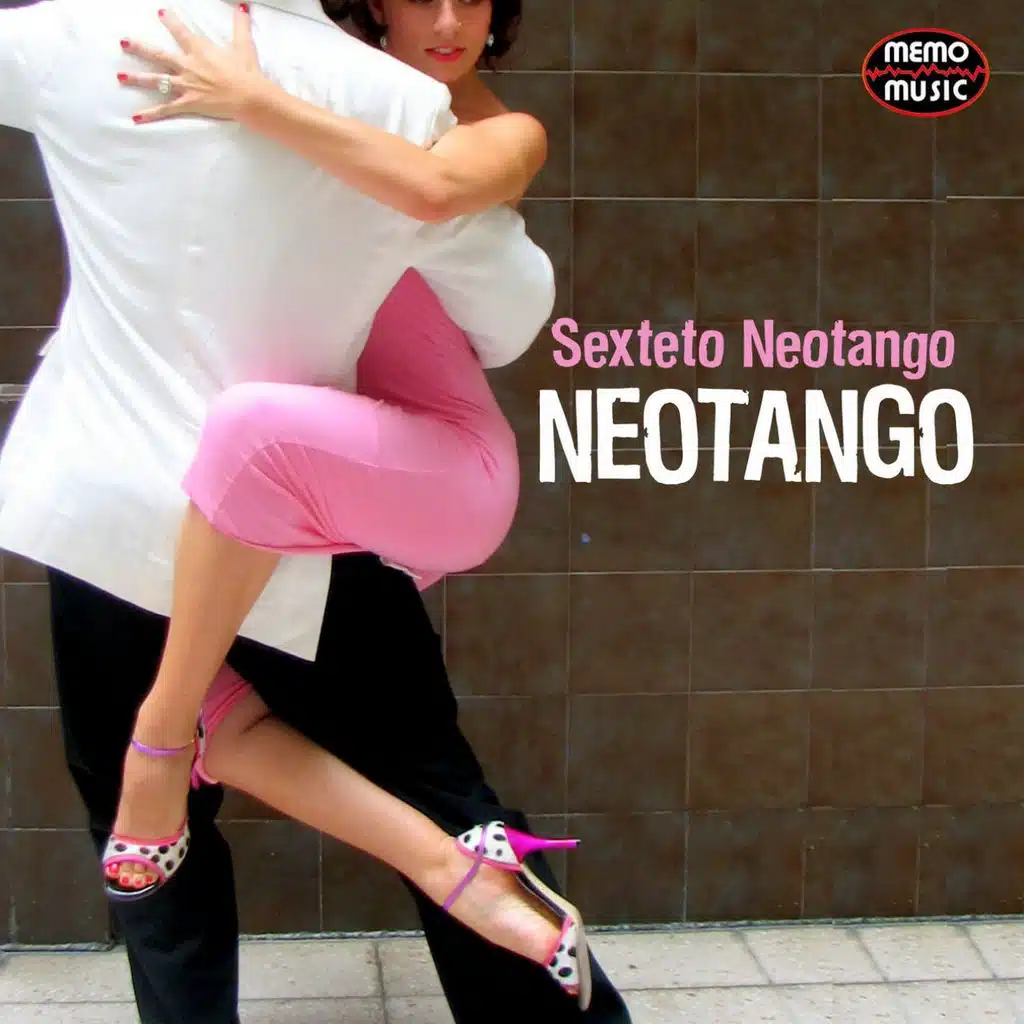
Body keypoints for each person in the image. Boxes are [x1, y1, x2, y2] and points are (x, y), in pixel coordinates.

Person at [0, 0, 633, 1021]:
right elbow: (510, 302)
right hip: (276, 520)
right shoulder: (392, 105)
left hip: (137, 503)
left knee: (157, 819)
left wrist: (257, 106)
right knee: (402, 775)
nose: (446, 18)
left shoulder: (83, 39)